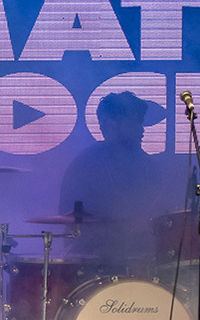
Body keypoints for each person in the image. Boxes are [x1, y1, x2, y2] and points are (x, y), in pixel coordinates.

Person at [58, 91, 169, 272]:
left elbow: (161, 217)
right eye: (135, 122)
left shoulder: (150, 168)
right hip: (92, 263)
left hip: (141, 260)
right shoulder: (84, 166)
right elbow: (70, 219)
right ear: (111, 125)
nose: (142, 129)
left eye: (141, 122)